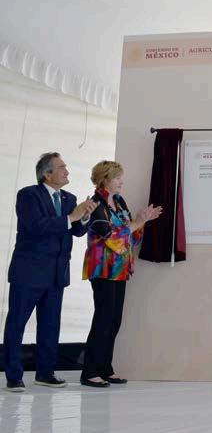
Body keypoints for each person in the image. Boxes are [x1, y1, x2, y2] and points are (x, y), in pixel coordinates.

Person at [3, 152, 97, 392]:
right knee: (17, 324)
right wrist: (72, 216)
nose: (67, 171)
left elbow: (75, 231)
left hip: (56, 273)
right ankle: (13, 376)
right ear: (47, 174)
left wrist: (84, 217)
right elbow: (36, 227)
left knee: (50, 326)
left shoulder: (69, 198)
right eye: (61, 167)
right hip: (29, 272)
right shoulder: (28, 195)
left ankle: (45, 373)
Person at [80, 160, 162, 387]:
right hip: (103, 269)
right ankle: (90, 371)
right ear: (104, 179)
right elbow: (112, 237)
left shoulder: (119, 201)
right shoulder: (96, 204)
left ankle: (105, 368)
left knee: (115, 320)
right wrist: (137, 222)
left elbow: (130, 236)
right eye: (117, 177)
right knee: (103, 319)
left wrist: (141, 222)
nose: (121, 181)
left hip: (120, 269)